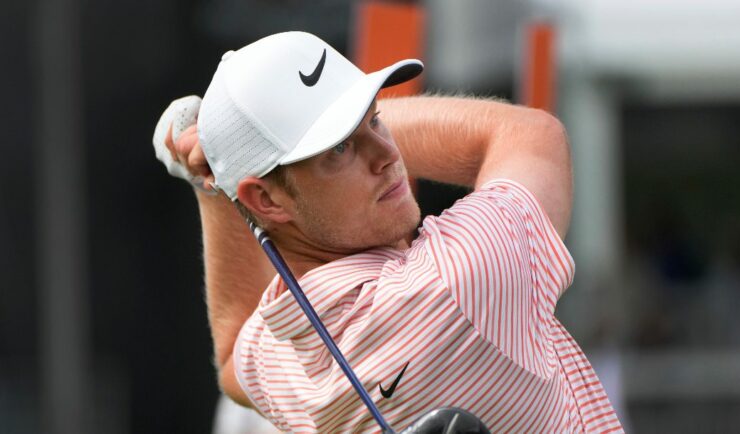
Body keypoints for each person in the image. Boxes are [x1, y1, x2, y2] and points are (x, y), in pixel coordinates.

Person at [154, 31, 623, 433]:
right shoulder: (457, 282)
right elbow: (531, 135)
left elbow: (235, 355)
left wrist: (219, 181)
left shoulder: (291, 354)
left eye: (375, 118)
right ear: (267, 201)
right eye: (339, 149)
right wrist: (227, 161)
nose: (386, 153)